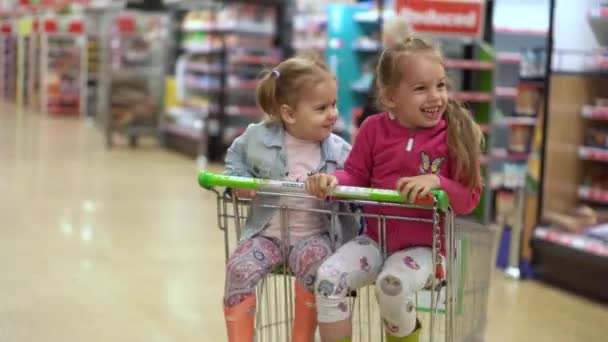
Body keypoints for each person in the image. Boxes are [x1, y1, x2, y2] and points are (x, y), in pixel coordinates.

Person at [305, 36, 483, 342]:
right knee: (328, 279)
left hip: (427, 250)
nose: (435, 97)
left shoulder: (453, 134)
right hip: (374, 240)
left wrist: (439, 182)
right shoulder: (373, 129)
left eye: (440, 85)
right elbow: (356, 175)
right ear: (390, 99)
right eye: (420, 89)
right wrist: (332, 182)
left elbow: (469, 199)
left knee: (392, 284)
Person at [222, 55, 358, 342]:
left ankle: (301, 337)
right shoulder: (257, 138)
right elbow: (235, 156)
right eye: (321, 108)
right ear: (289, 114)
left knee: (319, 266)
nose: (333, 113)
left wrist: (340, 185)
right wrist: (239, 182)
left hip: (313, 235)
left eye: (333, 104)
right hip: (266, 236)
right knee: (238, 268)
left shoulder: (338, 150)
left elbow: (357, 176)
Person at [357, 16, 413, 128]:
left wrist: (362, 121)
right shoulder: (416, 63)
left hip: (384, 127)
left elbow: (374, 100)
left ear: (388, 38)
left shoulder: (387, 64)